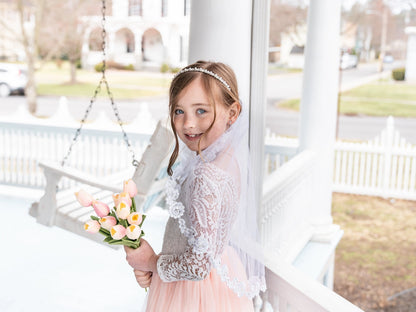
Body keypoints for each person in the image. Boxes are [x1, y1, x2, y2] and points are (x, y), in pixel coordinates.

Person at [124, 60, 266, 311]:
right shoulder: (228, 158)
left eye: (201, 111)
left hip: (193, 293)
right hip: (222, 275)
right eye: (179, 111)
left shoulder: (205, 175)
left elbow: (198, 265)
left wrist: (153, 262)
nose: (188, 123)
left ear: (232, 113)